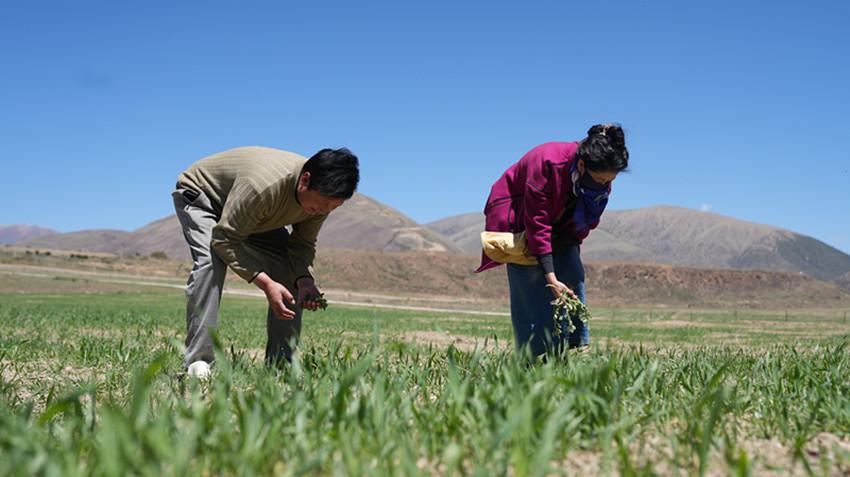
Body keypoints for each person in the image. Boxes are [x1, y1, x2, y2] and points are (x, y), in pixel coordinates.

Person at [172, 146, 360, 376]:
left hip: (253, 215)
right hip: (206, 199)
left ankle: (281, 365)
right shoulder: (262, 187)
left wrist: (304, 280)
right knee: (211, 263)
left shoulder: (320, 203)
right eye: (323, 203)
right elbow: (224, 239)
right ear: (305, 180)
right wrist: (266, 283)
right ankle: (198, 362)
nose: (324, 210)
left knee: (290, 270)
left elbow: (301, 244)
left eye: (333, 207)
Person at [476, 124, 629, 358]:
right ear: (581, 165)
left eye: (609, 181)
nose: (604, 186)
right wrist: (550, 277)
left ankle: (572, 349)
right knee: (531, 281)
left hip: (560, 222)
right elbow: (537, 223)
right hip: (519, 215)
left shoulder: (602, 177)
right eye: (599, 180)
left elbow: (589, 217)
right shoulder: (547, 161)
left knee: (572, 271)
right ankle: (534, 358)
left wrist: (567, 241)